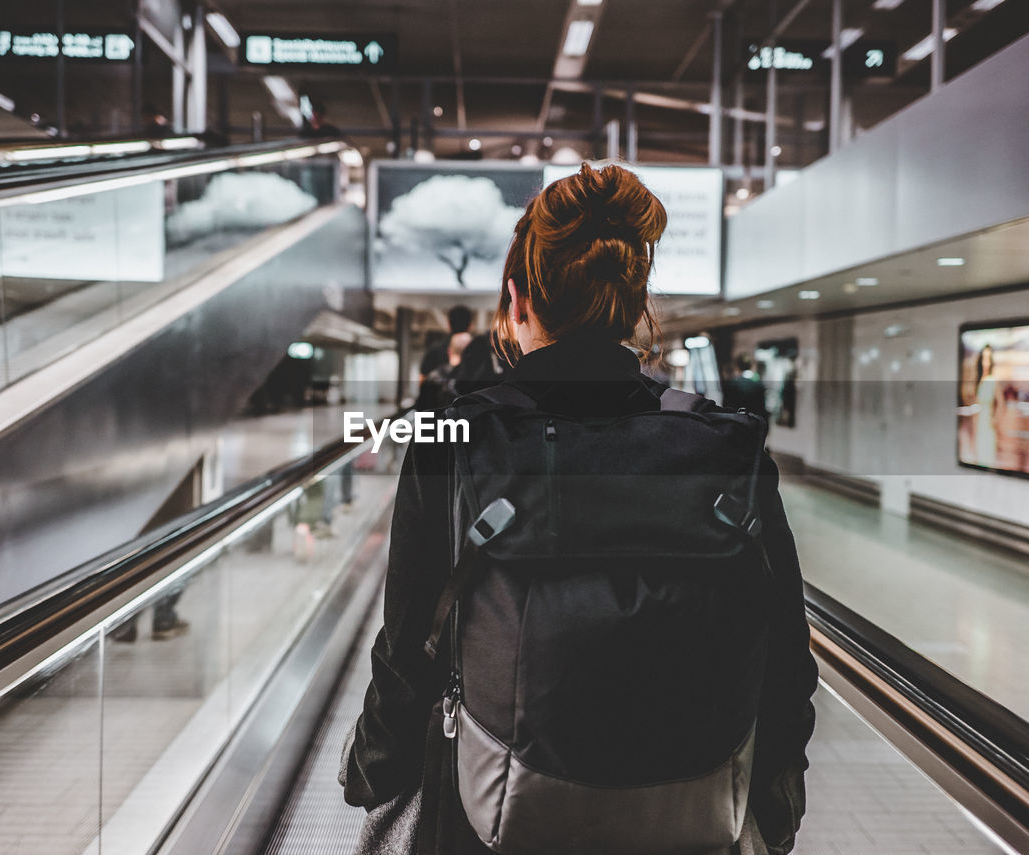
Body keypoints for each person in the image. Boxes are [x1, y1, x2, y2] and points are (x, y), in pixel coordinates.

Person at [341, 163, 816, 855]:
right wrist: (778, 804)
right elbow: (787, 655)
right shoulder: (725, 442)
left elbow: (410, 642)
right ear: (632, 304)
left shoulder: (459, 436)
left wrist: (373, 769)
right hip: (691, 820)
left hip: (491, 820)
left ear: (518, 300)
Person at [722, 353, 770, 422]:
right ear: (751, 366)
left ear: (737, 366)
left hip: (735, 423)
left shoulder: (731, 384)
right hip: (753, 424)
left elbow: (726, 408)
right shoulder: (759, 385)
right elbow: (761, 410)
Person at [974, 344, 999, 467]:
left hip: (988, 424)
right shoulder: (979, 380)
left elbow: (1001, 403)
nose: (986, 362)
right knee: (980, 455)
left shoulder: (992, 380)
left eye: (988, 358)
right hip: (980, 423)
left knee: (988, 456)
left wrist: (995, 419)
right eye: (984, 358)